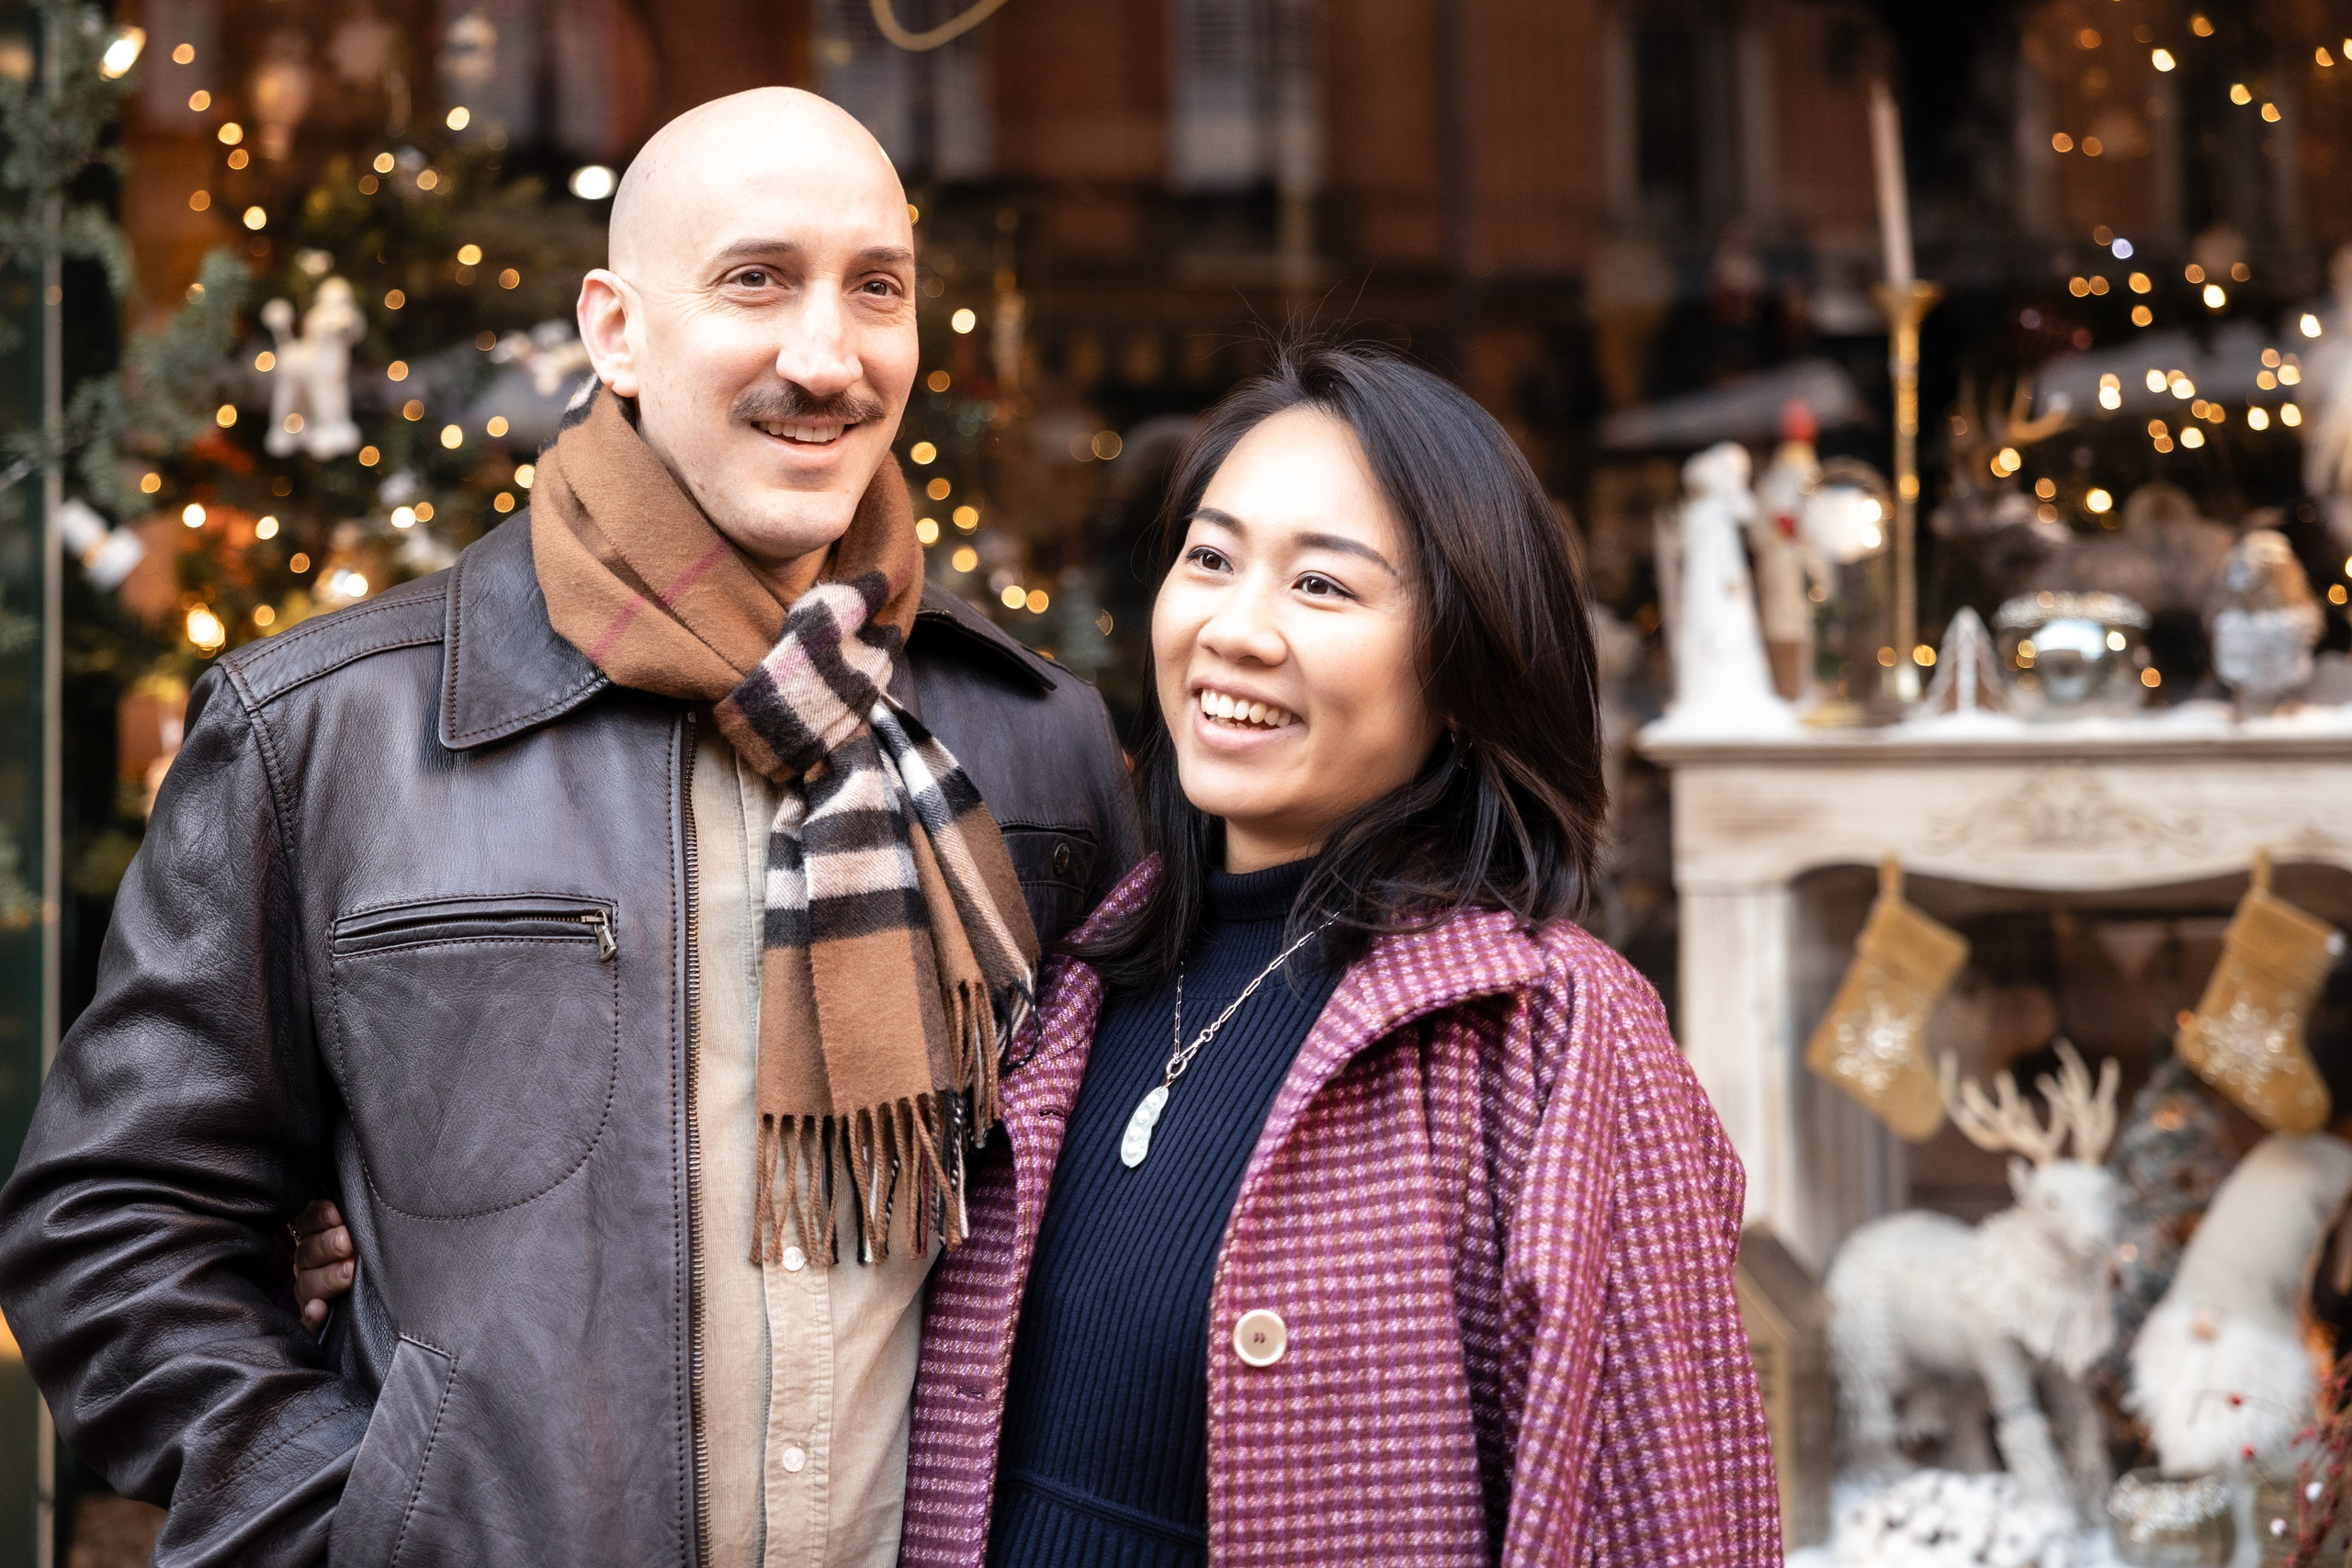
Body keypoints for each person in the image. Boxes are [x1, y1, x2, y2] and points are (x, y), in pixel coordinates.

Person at [0, 88, 1136, 1567]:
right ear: (614, 330)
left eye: (877, 288)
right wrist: (365, 1527)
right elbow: (115, 1219)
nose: (826, 354)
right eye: (755, 280)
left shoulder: (1033, 742)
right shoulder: (325, 733)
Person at [894, 345, 1779, 1565]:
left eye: (1321, 586)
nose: (1236, 630)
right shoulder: (1070, 982)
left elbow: (1673, 1524)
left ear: (1465, 670)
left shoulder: (1549, 1034)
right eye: (1211, 559)